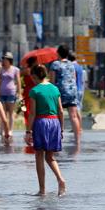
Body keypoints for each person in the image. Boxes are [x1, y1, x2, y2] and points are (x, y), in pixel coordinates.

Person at [25, 65, 67, 196]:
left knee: (39, 155)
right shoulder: (55, 89)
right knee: (50, 156)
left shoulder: (35, 91)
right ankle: (60, 179)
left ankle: (42, 190)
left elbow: (32, 113)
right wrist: (62, 129)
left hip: (41, 122)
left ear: (34, 76)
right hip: (54, 122)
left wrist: (28, 131)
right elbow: (60, 110)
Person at [49, 45, 81, 144]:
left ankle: (57, 137)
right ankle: (77, 139)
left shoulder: (55, 64)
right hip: (72, 91)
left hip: (60, 92)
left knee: (57, 115)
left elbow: (52, 81)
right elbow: (74, 78)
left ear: (58, 53)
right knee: (74, 116)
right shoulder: (72, 64)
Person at [0, 52, 21, 138]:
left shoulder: (15, 69)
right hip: (2, 92)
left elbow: (18, 81)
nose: (4, 60)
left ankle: (10, 130)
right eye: (3, 59)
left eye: (6, 59)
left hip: (11, 92)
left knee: (11, 112)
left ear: (9, 60)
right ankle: (2, 129)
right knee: (3, 113)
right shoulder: (1, 69)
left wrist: (19, 93)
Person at [68, 53, 85, 128]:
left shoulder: (72, 66)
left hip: (75, 90)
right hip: (80, 89)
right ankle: (78, 126)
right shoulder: (80, 66)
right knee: (78, 108)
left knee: (75, 109)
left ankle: (78, 127)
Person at [22, 56, 37, 129]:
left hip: (29, 91)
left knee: (30, 110)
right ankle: (29, 127)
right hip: (29, 92)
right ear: (33, 62)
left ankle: (30, 127)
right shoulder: (28, 70)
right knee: (27, 110)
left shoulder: (32, 70)